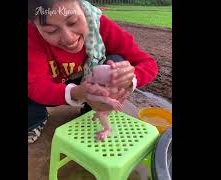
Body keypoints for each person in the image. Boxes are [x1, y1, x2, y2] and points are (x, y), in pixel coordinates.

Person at [28, 0, 158, 143]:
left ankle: (92, 109)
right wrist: (76, 92)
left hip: (90, 81)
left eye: (72, 22)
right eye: (51, 31)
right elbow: (34, 85)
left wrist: (130, 78)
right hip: (54, 87)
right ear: (35, 26)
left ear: (83, 9)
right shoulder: (31, 35)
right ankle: (36, 119)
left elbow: (149, 64)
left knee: (116, 61)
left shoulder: (99, 24)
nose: (69, 38)